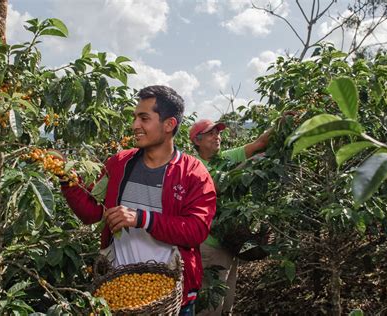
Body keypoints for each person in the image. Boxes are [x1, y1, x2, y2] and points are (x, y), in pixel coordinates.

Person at [61, 86, 217, 315]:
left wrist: (141, 218)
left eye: (144, 118)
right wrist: (68, 181)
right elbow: (92, 212)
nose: (135, 125)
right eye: (135, 117)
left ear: (169, 124)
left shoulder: (193, 173)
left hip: (170, 293)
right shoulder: (119, 164)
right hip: (120, 288)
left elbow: (196, 230)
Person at [189, 119, 270, 316]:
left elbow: (259, 144)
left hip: (229, 244)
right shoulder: (192, 165)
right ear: (197, 140)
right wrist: (248, 164)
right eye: (210, 133)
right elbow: (214, 187)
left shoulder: (225, 158)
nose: (217, 136)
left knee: (227, 302)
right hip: (208, 245)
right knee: (210, 307)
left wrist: (282, 122)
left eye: (218, 133)